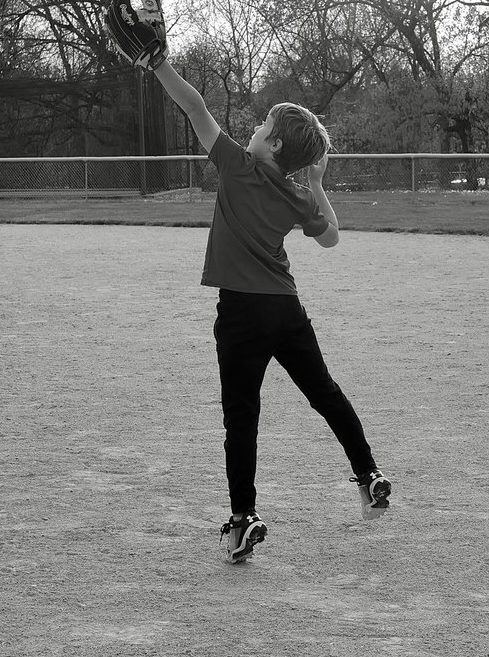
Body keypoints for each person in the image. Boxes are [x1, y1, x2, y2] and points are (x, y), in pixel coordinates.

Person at [150, 59, 391, 563]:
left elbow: (193, 104)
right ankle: (368, 475)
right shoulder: (298, 194)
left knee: (242, 417)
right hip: (286, 309)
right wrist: (318, 184)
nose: (254, 130)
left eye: (262, 127)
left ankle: (244, 518)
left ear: (274, 145)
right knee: (324, 392)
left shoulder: (238, 165)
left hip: (242, 314)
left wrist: (158, 64)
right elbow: (331, 238)